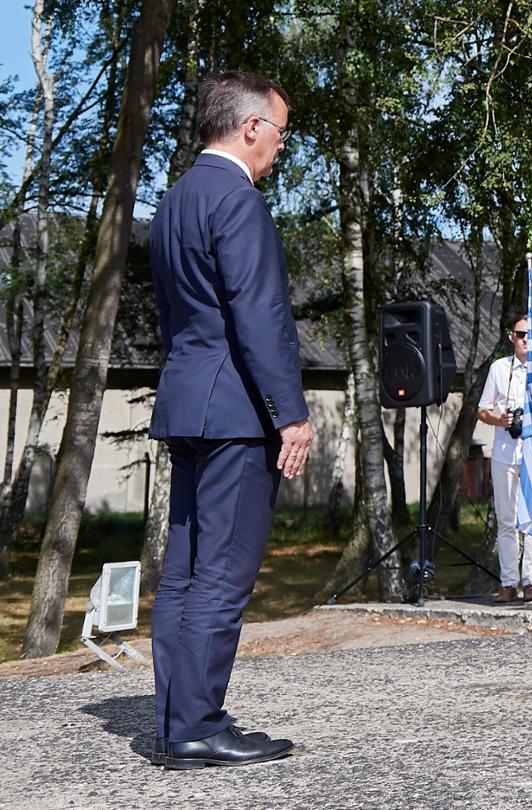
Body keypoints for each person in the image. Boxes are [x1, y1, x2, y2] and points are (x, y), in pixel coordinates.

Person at [146, 71, 310, 768]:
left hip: (187, 403)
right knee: (221, 575)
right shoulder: (239, 202)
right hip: (238, 414)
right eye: (279, 133)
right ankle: (198, 726)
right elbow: (260, 316)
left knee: (183, 572)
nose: (280, 147)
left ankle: (175, 716)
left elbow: (175, 317)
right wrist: (292, 414)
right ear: (249, 129)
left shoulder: (174, 201)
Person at [476, 311, 532, 603]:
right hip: (505, 453)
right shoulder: (498, 368)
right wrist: (500, 420)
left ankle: (530, 581)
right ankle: (508, 582)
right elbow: (481, 410)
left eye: (530, 334)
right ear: (511, 337)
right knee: (506, 521)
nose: (525, 340)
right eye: (520, 334)